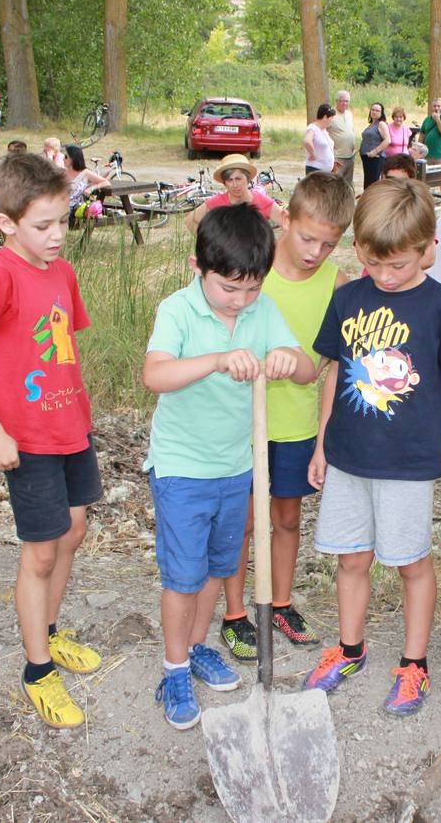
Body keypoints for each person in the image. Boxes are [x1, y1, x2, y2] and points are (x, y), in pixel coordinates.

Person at [0, 154, 103, 729]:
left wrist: (80, 416)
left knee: (74, 530)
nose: (58, 234)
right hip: (25, 439)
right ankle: (37, 669)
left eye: (64, 220)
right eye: (43, 225)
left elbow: (61, 350)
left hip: (69, 428)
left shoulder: (60, 269)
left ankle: (50, 632)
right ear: (7, 222)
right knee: (40, 551)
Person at [304, 177, 441, 716]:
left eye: (398, 265)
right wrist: (321, 443)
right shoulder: (348, 297)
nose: (383, 275)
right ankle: (350, 649)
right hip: (349, 457)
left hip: (407, 463)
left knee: (409, 562)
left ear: (427, 249)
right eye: (372, 262)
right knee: (351, 559)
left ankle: (414, 664)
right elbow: (334, 371)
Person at [142, 204, 317, 731]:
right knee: (184, 576)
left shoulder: (262, 313)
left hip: (236, 466)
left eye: (252, 289)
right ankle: (174, 669)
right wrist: (218, 360)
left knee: (221, 569)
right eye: (228, 289)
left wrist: (289, 359)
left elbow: (308, 370)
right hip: (182, 468)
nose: (240, 302)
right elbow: (155, 375)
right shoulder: (177, 310)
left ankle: (197, 647)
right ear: (200, 267)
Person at [219, 172, 355, 661]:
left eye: (329, 243)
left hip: (295, 424)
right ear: (286, 217)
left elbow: (331, 368)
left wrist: (322, 441)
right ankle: (235, 612)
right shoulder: (253, 265)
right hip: (239, 420)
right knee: (242, 518)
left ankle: (279, 601)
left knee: (286, 516)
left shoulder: (338, 285)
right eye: (306, 237)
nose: (315, 252)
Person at [185, 153, 286, 233]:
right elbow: (190, 220)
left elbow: (288, 224)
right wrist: (209, 246)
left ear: (248, 179)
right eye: (229, 180)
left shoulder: (261, 201)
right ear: (225, 183)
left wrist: (278, 251)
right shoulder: (218, 201)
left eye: (238, 179)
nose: (234, 185)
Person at [63, 144, 110, 223]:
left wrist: (91, 188)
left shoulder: (85, 173)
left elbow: (106, 182)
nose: (63, 159)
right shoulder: (62, 172)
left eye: (65, 156)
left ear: (73, 158)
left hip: (73, 208)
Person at [327, 90, 356, 185]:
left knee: (347, 184)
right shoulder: (330, 114)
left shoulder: (349, 114)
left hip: (350, 156)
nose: (344, 103)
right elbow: (323, 132)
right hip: (337, 157)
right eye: (342, 101)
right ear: (336, 101)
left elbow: (351, 130)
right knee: (335, 184)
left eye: (347, 101)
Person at [359, 102, 391, 188]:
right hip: (367, 158)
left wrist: (374, 151)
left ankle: (371, 200)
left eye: (377, 110)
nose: (374, 112)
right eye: (372, 110)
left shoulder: (381, 124)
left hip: (375, 158)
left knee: (372, 184)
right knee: (367, 183)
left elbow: (387, 140)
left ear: (381, 113)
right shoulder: (371, 125)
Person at [417, 97, 441, 164]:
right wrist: (419, 151)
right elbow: (421, 135)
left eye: (438, 106)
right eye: (434, 106)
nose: (436, 108)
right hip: (427, 155)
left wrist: (438, 120)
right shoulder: (427, 119)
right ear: (432, 107)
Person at [304, 104, 336, 174]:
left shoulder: (323, 130)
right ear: (325, 117)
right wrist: (312, 154)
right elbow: (307, 141)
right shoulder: (312, 128)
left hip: (325, 171)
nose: (332, 120)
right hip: (315, 170)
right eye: (331, 117)